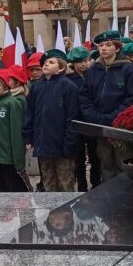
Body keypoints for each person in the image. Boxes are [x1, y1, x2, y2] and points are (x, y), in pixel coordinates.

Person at [79, 31, 133, 180]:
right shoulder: (93, 69)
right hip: (101, 126)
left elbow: (132, 98)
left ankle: (125, 198)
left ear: (117, 48)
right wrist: (95, 117)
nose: (103, 48)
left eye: (108, 45)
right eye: (100, 45)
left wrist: (113, 117)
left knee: (122, 163)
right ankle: (108, 197)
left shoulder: (127, 69)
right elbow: (84, 97)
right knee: (105, 163)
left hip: (121, 126)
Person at [23, 48, 80, 192]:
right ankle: (52, 213)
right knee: (48, 181)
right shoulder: (36, 87)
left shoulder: (68, 87)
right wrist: (28, 136)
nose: (46, 64)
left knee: (65, 181)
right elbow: (30, 113)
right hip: (43, 144)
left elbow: (72, 118)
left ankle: (66, 213)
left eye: (51, 62)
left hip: (61, 145)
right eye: (45, 62)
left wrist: (69, 143)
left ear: (61, 68)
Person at [66, 46, 99, 191]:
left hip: (91, 121)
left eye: (85, 60)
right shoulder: (69, 79)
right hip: (77, 122)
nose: (83, 64)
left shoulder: (93, 75)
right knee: (78, 159)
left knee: (95, 157)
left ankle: (96, 183)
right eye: (79, 62)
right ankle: (82, 186)